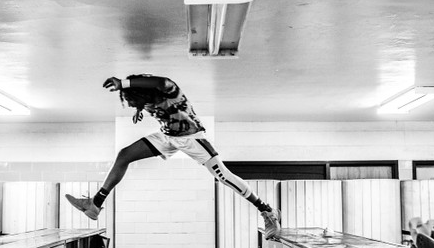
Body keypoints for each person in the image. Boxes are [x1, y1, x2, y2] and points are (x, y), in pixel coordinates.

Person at [64, 74, 281, 238]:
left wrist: (124, 84)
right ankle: (95, 204)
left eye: (133, 101)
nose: (130, 104)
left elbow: (161, 81)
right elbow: (145, 99)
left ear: (143, 95)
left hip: (192, 138)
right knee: (124, 155)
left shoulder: (169, 91)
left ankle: (267, 211)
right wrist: (139, 106)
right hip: (167, 137)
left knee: (222, 176)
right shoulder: (146, 101)